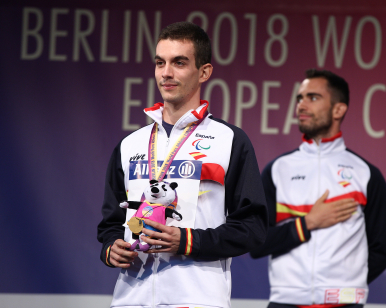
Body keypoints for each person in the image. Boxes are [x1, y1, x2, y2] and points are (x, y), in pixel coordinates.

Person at [97, 21, 268, 308]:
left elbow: (253, 228)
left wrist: (188, 241)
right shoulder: (130, 145)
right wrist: (111, 249)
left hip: (197, 301)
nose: (166, 73)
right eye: (160, 62)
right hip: (130, 300)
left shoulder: (229, 140)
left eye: (179, 62)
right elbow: (111, 224)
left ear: (204, 72)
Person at [250, 69, 386, 308]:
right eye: (299, 98)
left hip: (345, 303)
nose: (301, 105)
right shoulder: (277, 170)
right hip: (286, 302)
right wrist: (307, 223)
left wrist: (348, 284)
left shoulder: (366, 174)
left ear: (339, 109)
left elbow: (383, 250)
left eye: (313, 97)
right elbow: (256, 243)